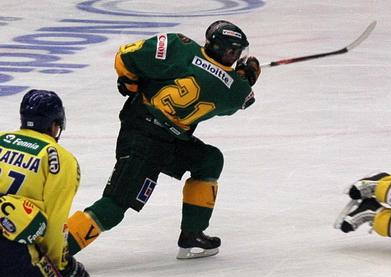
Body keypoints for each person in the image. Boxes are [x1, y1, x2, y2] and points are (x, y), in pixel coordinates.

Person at [65, 20, 262, 260]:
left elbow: (125, 57)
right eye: (236, 53)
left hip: (154, 131)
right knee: (115, 205)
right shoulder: (233, 89)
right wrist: (247, 76)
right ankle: (56, 250)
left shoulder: (178, 46)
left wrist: (130, 82)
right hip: (144, 139)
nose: (238, 57)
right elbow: (244, 100)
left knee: (209, 160)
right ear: (229, 52)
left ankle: (192, 234)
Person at [1, 90, 89, 277]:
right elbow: (53, 226)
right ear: (56, 124)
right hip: (9, 252)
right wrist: (63, 265)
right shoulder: (59, 159)